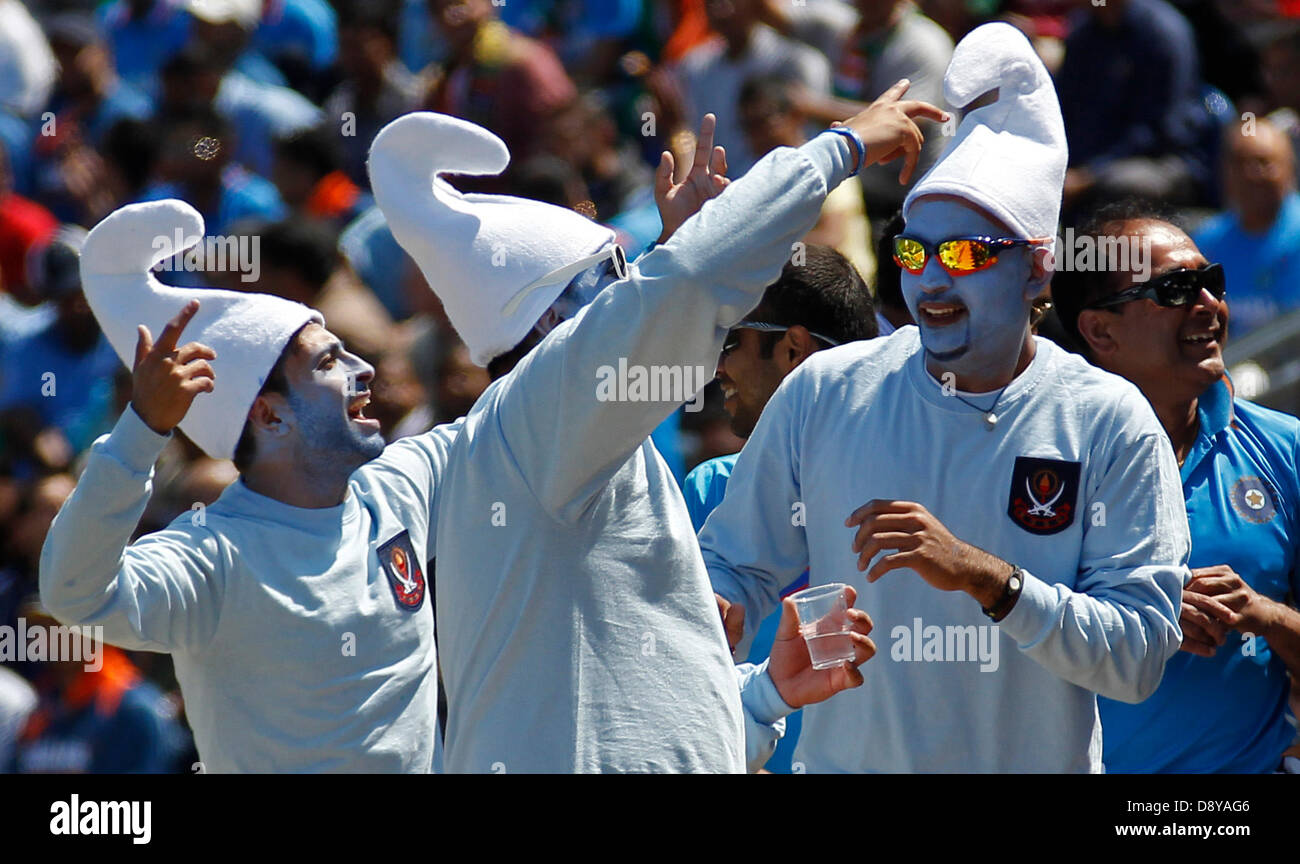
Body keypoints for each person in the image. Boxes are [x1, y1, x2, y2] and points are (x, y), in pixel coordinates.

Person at [368, 92, 943, 771]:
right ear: (553, 327)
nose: (627, 287)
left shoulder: (553, 438)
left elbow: (629, 700)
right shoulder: (537, 417)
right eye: (609, 277)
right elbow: (685, 284)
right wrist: (840, 147)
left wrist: (761, 698)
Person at [699, 22, 1190, 773]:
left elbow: (1139, 656)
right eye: (914, 252)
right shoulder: (827, 391)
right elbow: (736, 567)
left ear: (1036, 272)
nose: (931, 280)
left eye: (963, 254)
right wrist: (721, 608)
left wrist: (985, 578)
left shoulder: (1106, 419)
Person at [39, 199, 462, 772]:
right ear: (268, 416)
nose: (363, 369)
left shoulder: (400, 487)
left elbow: (531, 407)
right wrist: (142, 431)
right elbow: (73, 595)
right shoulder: (212, 558)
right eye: (328, 363)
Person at [1053, 204, 1300, 773]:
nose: (1210, 304)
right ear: (1099, 331)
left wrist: (1266, 615)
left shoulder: (1283, 448)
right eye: (1175, 290)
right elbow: (980, 640)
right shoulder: (1032, 465)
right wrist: (1134, 617)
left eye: (1210, 282)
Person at [685, 243, 878, 772]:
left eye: (731, 342)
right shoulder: (709, 490)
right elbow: (683, 690)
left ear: (794, 351)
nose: (717, 368)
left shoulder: (913, 489)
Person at [1192, 118, 1300, 336]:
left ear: (1289, 168)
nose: (1252, 174)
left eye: (1264, 162)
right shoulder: (1206, 242)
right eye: (1240, 163)